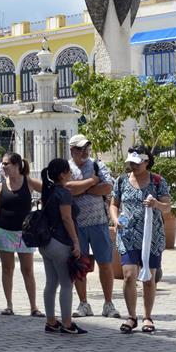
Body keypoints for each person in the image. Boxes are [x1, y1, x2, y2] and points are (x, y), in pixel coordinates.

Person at [111, 146, 172, 334]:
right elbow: (114, 204)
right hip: (127, 235)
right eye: (131, 163)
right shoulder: (121, 181)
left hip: (151, 237)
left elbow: (167, 207)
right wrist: (115, 220)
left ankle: (147, 316)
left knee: (149, 277)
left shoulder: (157, 181)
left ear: (147, 162)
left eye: (137, 163)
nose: (133, 166)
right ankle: (131, 316)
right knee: (129, 275)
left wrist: (156, 204)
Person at [65, 134, 119, 319]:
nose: (85, 152)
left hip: (99, 223)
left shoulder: (97, 165)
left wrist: (82, 189)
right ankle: (83, 304)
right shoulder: (67, 168)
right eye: (80, 149)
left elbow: (108, 187)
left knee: (105, 264)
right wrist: (91, 183)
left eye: (87, 148)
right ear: (72, 150)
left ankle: (108, 304)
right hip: (76, 225)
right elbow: (68, 188)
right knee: (79, 265)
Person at [0, 152, 45, 317]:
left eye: (6, 164)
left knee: (27, 269)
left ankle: (34, 306)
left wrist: (44, 211)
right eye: (3, 164)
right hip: (4, 231)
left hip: (25, 233)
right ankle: (9, 305)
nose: (3, 167)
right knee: (7, 268)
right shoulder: (0, 187)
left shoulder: (29, 182)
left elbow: (48, 191)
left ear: (17, 165)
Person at [39, 158, 87, 335]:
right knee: (67, 283)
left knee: (51, 282)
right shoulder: (64, 193)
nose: (71, 173)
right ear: (62, 174)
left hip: (47, 242)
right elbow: (67, 218)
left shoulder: (49, 191)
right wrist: (76, 241)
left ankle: (51, 321)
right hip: (61, 242)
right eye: (68, 171)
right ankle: (67, 323)